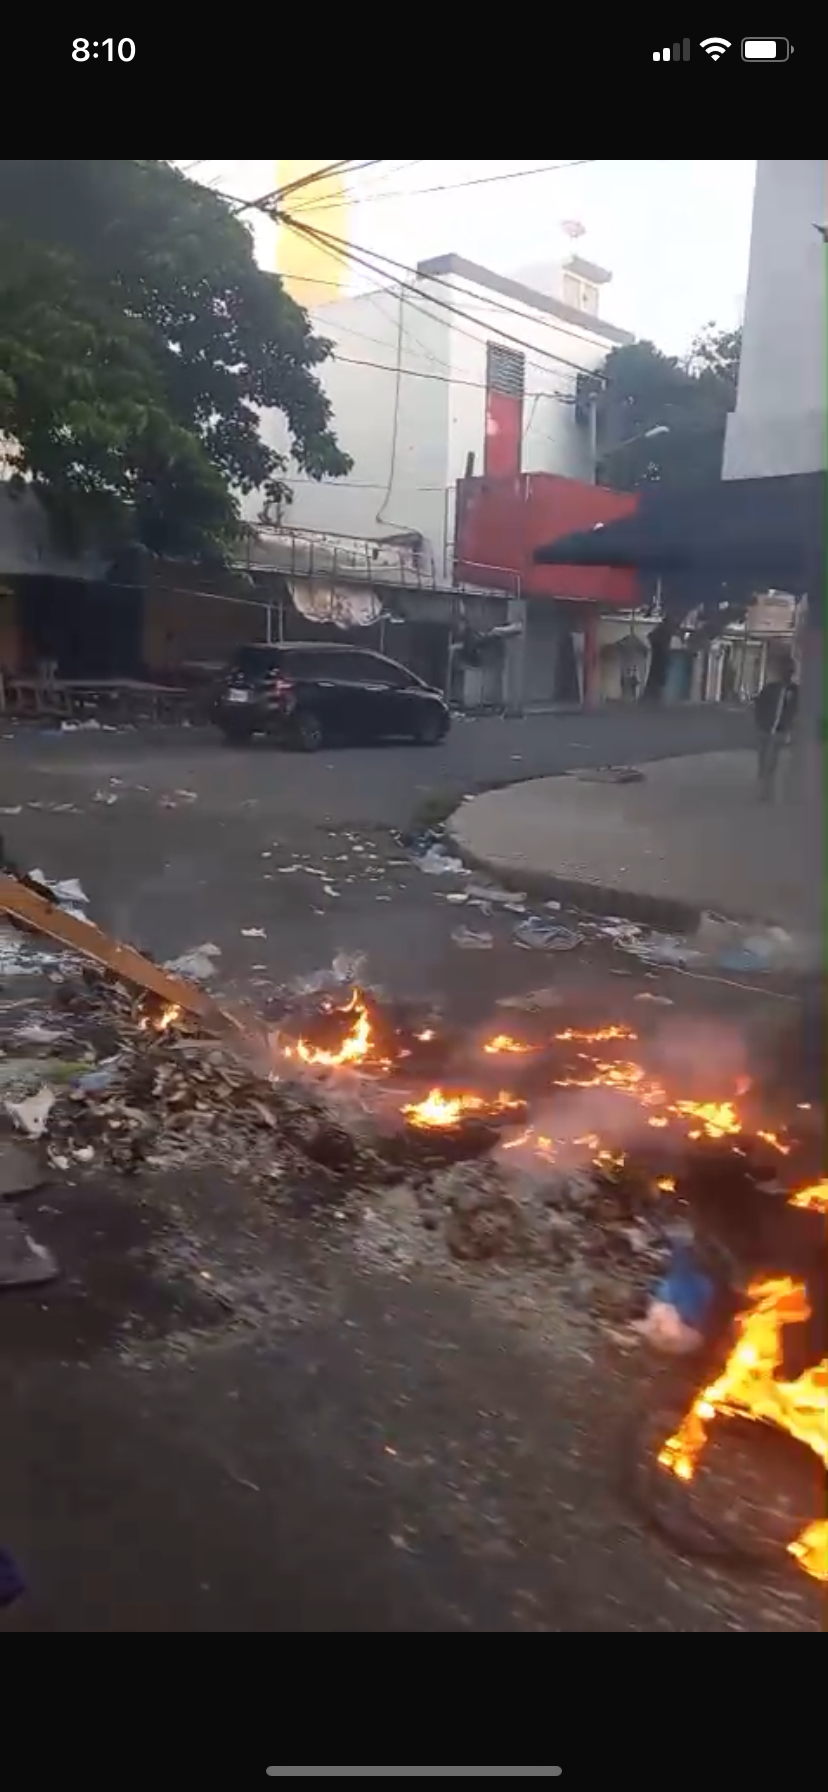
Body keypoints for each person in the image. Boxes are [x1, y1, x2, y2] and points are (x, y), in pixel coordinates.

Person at [754, 656, 798, 800]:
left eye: (790, 671)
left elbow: (797, 711)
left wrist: (791, 729)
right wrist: (760, 723)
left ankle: (770, 793)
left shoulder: (796, 691)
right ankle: (763, 790)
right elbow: (759, 706)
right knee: (763, 761)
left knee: (774, 762)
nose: (787, 673)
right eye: (785, 670)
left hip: (781, 731)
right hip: (765, 730)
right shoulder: (770, 688)